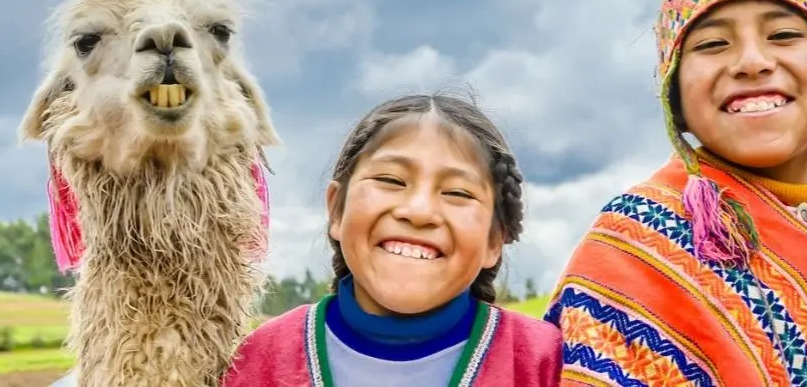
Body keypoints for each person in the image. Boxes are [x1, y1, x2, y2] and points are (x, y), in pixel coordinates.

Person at [545, 0, 807, 385]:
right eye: (713, 43)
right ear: (675, 98)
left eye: (784, 35)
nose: (752, 62)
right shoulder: (635, 245)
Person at [221, 92, 563, 386]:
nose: (418, 211)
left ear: (495, 240)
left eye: (457, 192)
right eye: (391, 180)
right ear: (336, 211)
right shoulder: (255, 360)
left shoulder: (547, 364)